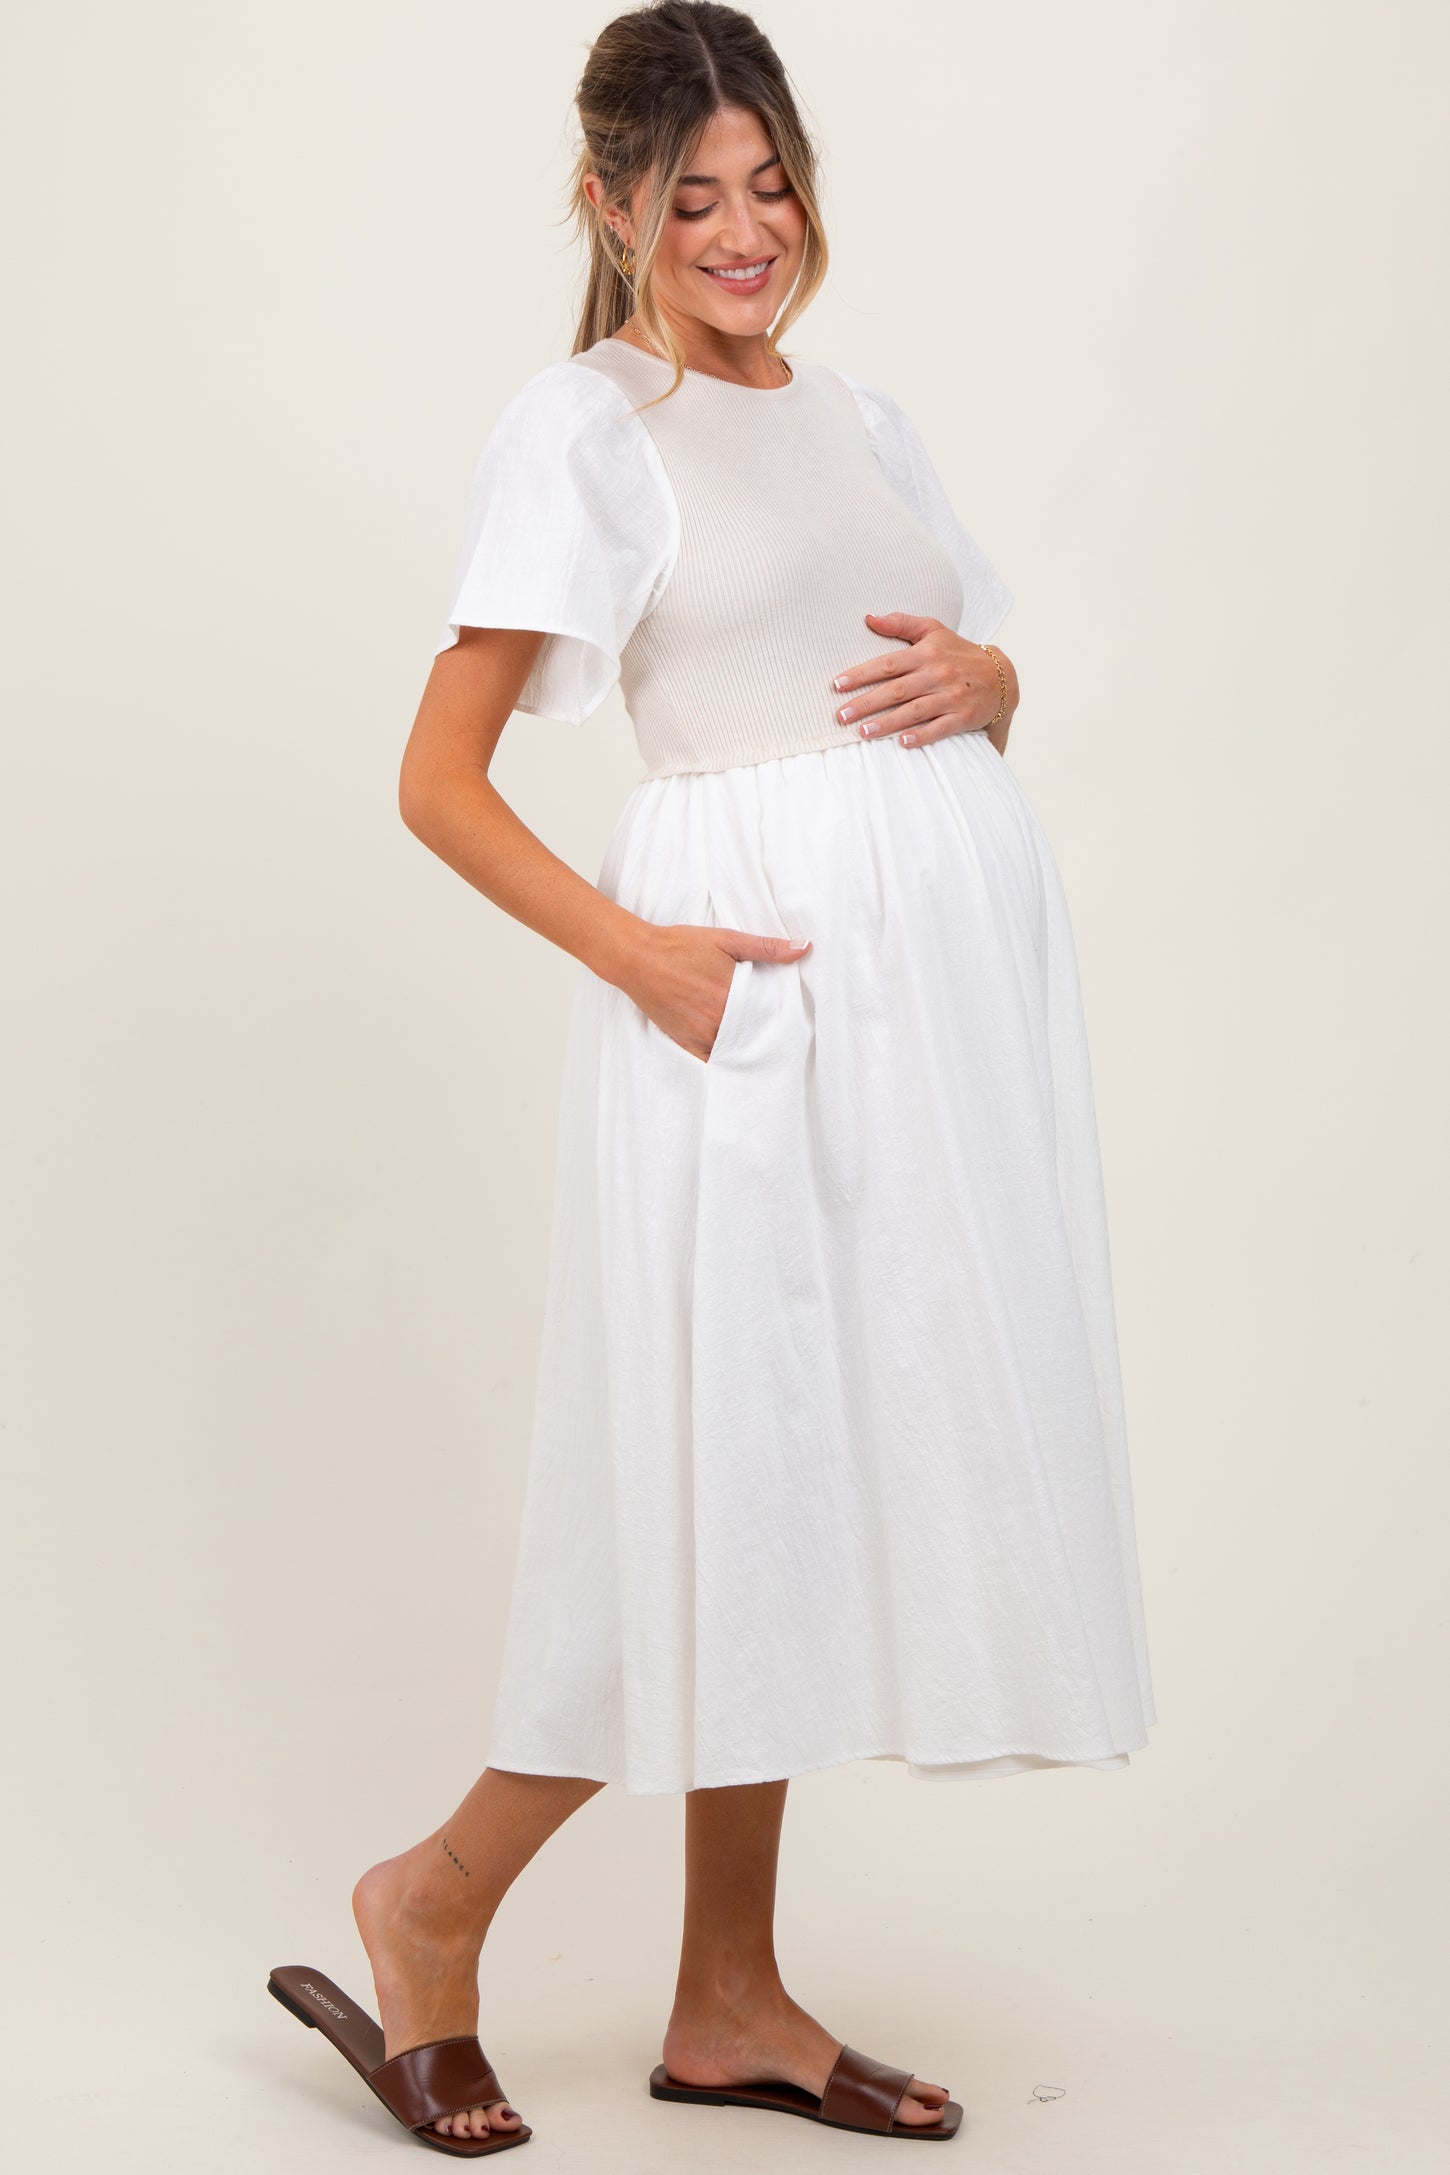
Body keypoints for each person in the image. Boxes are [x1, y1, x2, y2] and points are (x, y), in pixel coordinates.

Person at [268, 0, 1155, 2155]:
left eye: (769, 186)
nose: (743, 232)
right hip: (739, 1006)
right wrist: (638, 956)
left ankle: (728, 1990)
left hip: (924, 1035)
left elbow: (936, 662)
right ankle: (432, 1900)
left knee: (801, 1484)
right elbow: (436, 776)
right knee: (711, 1464)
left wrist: (995, 675)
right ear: (609, 207)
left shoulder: (862, 416)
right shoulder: (587, 427)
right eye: (692, 199)